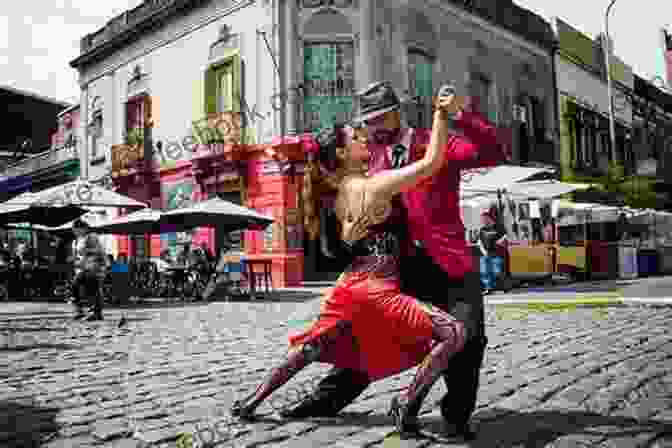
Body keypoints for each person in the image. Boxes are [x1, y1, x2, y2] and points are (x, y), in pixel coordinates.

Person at [231, 92, 467, 437]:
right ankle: (406, 402)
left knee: (309, 349)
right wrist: (439, 116)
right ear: (342, 153)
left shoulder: (335, 191)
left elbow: (340, 248)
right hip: (376, 289)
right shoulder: (371, 186)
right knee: (454, 332)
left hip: (346, 288)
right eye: (356, 137)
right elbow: (432, 162)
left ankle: (253, 400)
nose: (364, 137)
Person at [283, 81, 509, 440]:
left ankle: (455, 418)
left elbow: (493, 152)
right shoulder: (364, 156)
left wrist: (461, 114)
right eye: (365, 122)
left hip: (448, 262)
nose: (370, 129)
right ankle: (323, 401)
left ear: (394, 113)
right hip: (396, 267)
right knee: (362, 335)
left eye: (375, 119)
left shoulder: (434, 140)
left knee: (469, 337)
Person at [70, 220, 106, 321]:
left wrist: (87, 251)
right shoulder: (76, 241)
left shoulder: (91, 237)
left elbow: (100, 251)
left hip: (93, 267)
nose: (75, 232)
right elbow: (77, 256)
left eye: (77, 229)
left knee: (92, 289)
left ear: (83, 228)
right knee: (75, 287)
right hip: (82, 268)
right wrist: (74, 259)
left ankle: (95, 313)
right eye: (74, 230)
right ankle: (79, 310)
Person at [478, 207, 506, 295]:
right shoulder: (482, 230)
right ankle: (488, 288)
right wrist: (484, 251)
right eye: (482, 219)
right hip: (486, 254)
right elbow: (480, 242)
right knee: (484, 271)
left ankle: (502, 287)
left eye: (485, 219)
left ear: (490, 218)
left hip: (497, 254)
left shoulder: (499, 227)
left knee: (497, 271)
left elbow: (504, 238)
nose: (483, 221)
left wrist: (499, 243)